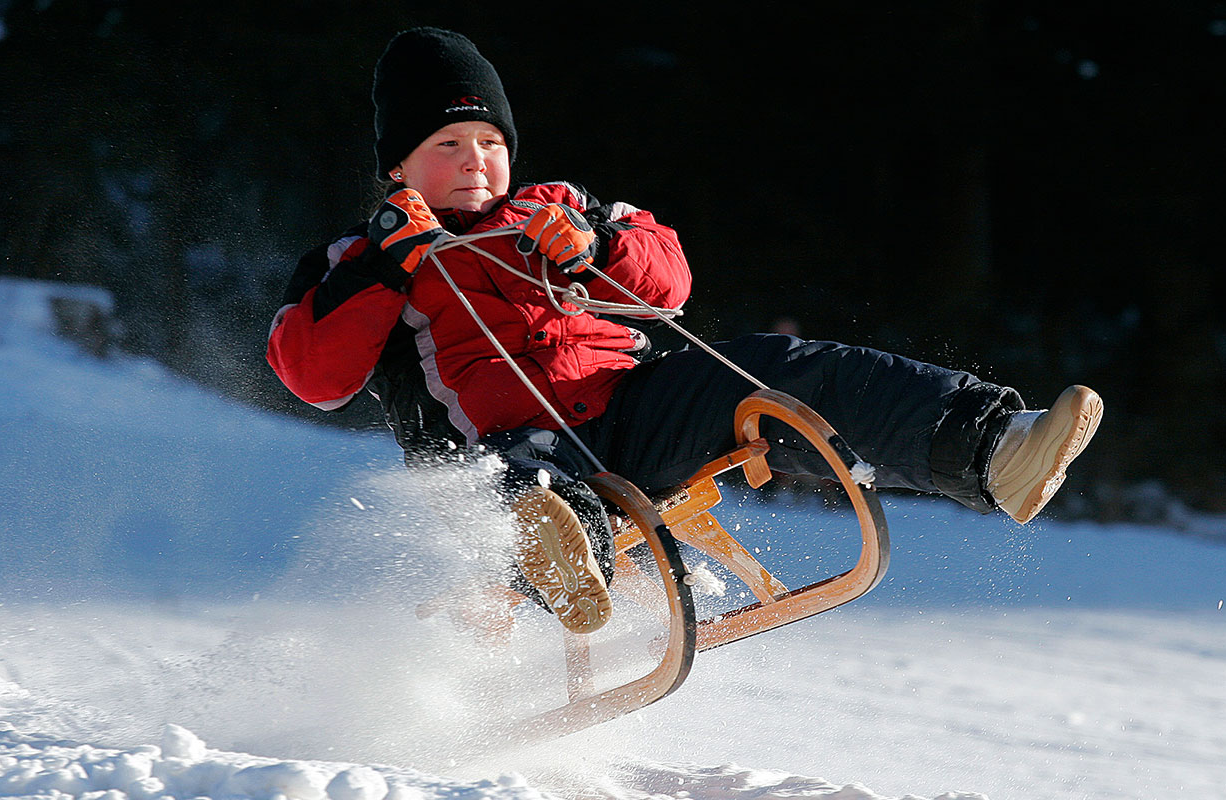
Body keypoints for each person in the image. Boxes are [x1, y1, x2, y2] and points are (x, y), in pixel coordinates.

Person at [267, 27, 1102, 636]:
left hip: (634, 408)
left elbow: (669, 280)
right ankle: (567, 562)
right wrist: (387, 266)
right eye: (448, 143)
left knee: (779, 369)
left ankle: (994, 445)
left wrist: (595, 248)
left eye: (490, 141)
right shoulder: (356, 260)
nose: (475, 160)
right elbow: (314, 376)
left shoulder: (560, 208)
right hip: (502, 449)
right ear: (398, 166)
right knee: (532, 487)